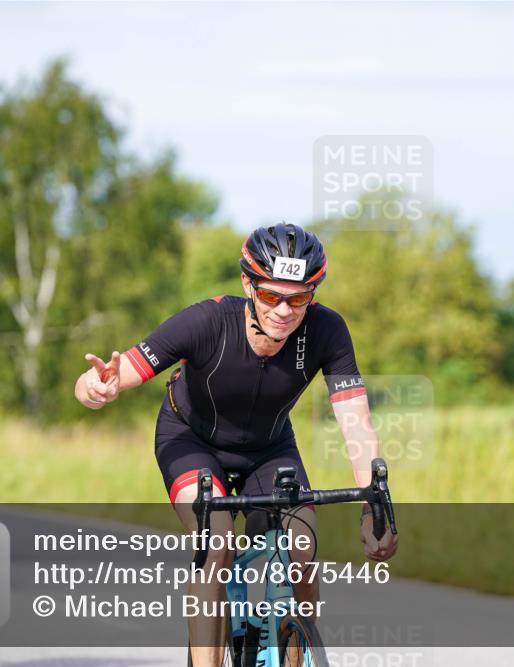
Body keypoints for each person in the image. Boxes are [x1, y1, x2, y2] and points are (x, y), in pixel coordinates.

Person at [74, 222, 398, 666]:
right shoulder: (207, 321)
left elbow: (356, 424)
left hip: (268, 447)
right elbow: (119, 371)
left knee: (301, 548)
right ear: (248, 283)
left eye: (298, 297)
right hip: (190, 439)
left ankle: (294, 654)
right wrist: (94, 387)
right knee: (218, 542)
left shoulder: (327, 331)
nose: (284, 310)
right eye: (270, 295)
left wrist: (373, 508)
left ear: (313, 294)